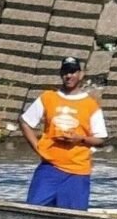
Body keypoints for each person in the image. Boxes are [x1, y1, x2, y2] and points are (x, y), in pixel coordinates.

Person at [17, 56, 108, 210]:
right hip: (49, 167)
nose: (69, 76)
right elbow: (25, 122)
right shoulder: (48, 98)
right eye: (65, 72)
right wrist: (38, 147)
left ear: (81, 74)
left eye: (73, 72)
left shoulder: (90, 105)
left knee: (75, 217)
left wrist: (80, 139)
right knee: (34, 211)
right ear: (61, 74)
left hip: (77, 171)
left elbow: (101, 140)